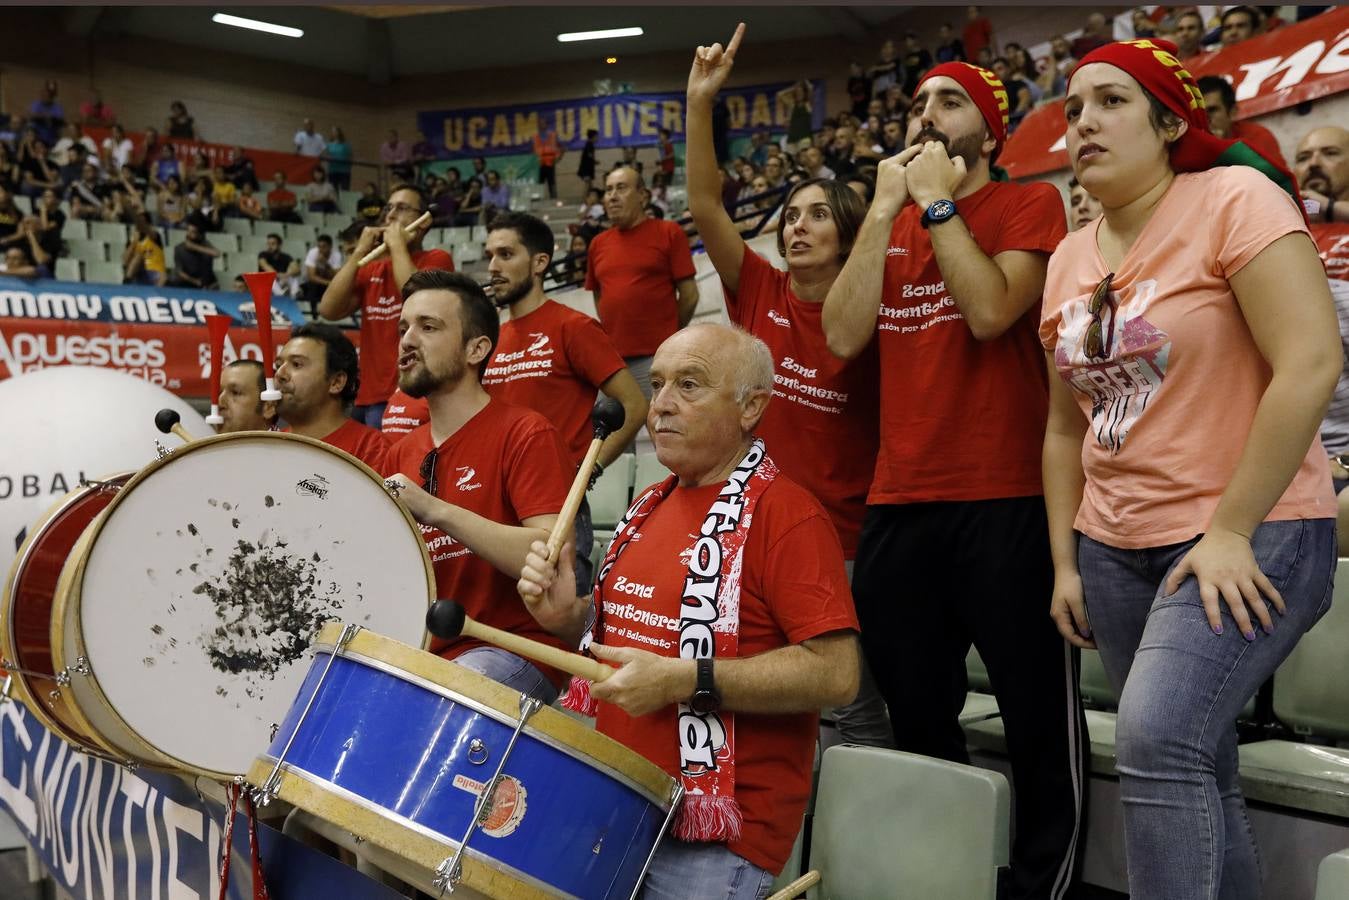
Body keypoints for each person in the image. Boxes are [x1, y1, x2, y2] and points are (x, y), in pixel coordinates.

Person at [1044, 38, 1338, 900]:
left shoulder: (1233, 198)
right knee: (1196, 763)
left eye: (1110, 102)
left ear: (1171, 123)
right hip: (1111, 546)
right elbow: (1063, 427)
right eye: (1072, 109)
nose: (1083, 123)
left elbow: (1310, 361)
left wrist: (1230, 530)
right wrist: (1065, 563)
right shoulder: (1067, 257)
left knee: (1154, 739)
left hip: (1250, 528)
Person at [821, 60, 1085, 900]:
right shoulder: (890, 222)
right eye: (917, 104)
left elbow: (990, 311)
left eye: (949, 101)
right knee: (917, 717)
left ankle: (1043, 887)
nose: (925, 116)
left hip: (1006, 498)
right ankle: (952, 876)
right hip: (900, 503)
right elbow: (841, 336)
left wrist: (937, 206)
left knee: (1036, 722)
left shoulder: (1026, 204)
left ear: (991, 130)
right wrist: (882, 212)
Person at [517, 321, 861, 898]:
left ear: (751, 407)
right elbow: (628, 644)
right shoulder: (650, 504)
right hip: (621, 803)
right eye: (657, 384)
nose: (660, 406)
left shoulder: (789, 517)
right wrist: (567, 618)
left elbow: (838, 674)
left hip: (717, 839)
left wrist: (687, 679)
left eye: (690, 385)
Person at [687, 25, 889, 748]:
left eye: (817, 215)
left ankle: (864, 810)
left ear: (851, 233)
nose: (797, 227)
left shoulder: (873, 311)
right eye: (791, 215)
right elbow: (705, 205)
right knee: (762, 692)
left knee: (851, 704)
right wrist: (699, 104)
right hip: (756, 528)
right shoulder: (761, 288)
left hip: (844, 539)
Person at [385, 270, 572, 702]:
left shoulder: (527, 433)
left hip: (513, 648)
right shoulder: (400, 453)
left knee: (443, 696)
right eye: (403, 328)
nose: (407, 340)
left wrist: (437, 511)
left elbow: (551, 557)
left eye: (428, 327)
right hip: (428, 651)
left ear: (477, 349)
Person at [482, 212, 648, 596]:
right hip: (497, 505)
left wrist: (590, 469)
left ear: (540, 262)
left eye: (506, 254)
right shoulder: (490, 340)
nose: (492, 267)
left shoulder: (573, 326)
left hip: (558, 506)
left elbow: (634, 404)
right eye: (489, 255)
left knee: (561, 613)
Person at [319, 183, 455, 428]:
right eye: (388, 208)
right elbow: (328, 309)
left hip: (405, 395)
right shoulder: (374, 268)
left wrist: (397, 246)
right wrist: (359, 252)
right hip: (364, 396)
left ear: (423, 221)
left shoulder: (436, 259)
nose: (390, 216)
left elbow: (417, 297)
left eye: (401, 208)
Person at [586, 166, 698, 401]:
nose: (612, 196)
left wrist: (669, 337)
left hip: (658, 357)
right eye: (608, 190)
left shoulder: (669, 232)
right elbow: (599, 294)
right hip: (614, 361)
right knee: (612, 425)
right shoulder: (597, 244)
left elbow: (689, 295)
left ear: (643, 196)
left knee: (665, 422)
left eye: (621, 188)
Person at [275, 323, 391, 472]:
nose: (279, 374)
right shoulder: (270, 445)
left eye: (296, 364)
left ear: (336, 382)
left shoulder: (373, 449)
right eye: (278, 365)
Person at [1197, 76, 1285, 167]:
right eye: (1200, 112)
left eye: (1212, 110)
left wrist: (1221, 148)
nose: (1205, 118)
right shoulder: (1191, 146)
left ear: (1232, 112)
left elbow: (1277, 175)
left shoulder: (1256, 137)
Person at [217, 359, 278, 433]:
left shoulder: (287, 440)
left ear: (269, 407)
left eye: (235, 392)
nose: (219, 403)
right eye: (219, 393)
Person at [170, 221, 220, 289]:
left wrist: (195, 247)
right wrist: (195, 282)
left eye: (193, 232)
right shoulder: (179, 248)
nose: (189, 233)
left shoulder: (204, 243)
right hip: (189, 281)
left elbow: (217, 253)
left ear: (198, 234)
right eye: (188, 231)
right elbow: (179, 271)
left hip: (207, 281)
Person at [301, 233, 343, 314]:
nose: (321, 249)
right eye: (319, 246)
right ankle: (313, 313)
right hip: (314, 283)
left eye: (324, 247)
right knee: (313, 286)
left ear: (330, 247)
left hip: (328, 282)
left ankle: (333, 312)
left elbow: (337, 276)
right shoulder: (313, 253)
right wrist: (328, 283)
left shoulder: (336, 255)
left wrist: (326, 264)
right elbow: (311, 277)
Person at [122, 213, 167, 287]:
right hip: (139, 273)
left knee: (163, 276)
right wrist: (134, 242)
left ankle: (156, 292)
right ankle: (126, 284)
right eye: (138, 223)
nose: (140, 225)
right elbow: (125, 261)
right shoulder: (133, 240)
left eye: (142, 223)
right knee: (138, 256)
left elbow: (149, 232)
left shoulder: (155, 237)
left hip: (154, 271)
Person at [533, 115, 563, 200]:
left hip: (550, 163)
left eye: (543, 123)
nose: (541, 125)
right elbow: (532, 150)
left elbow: (562, 147)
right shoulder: (535, 136)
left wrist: (559, 158)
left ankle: (554, 199)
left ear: (547, 124)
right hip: (539, 164)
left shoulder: (553, 135)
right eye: (540, 123)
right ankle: (537, 200)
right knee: (539, 183)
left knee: (551, 182)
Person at [323, 126, 352, 193]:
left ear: (339, 133)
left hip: (344, 171)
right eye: (333, 132)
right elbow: (326, 155)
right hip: (333, 170)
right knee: (333, 190)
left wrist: (348, 164)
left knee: (344, 190)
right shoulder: (329, 145)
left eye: (336, 131)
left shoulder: (346, 145)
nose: (334, 133)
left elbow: (350, 156)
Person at [577, 128, 599, 193]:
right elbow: (589, 155)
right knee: (588, 185)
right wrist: (595, 161)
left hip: (588, 169)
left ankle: (589, 197)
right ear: (593, 137)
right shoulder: (589, 145)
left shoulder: (590, 144)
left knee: (590, 186)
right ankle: (584, 199)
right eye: (596, 136)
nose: (597, 138)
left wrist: (594, 162)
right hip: (586, 169)